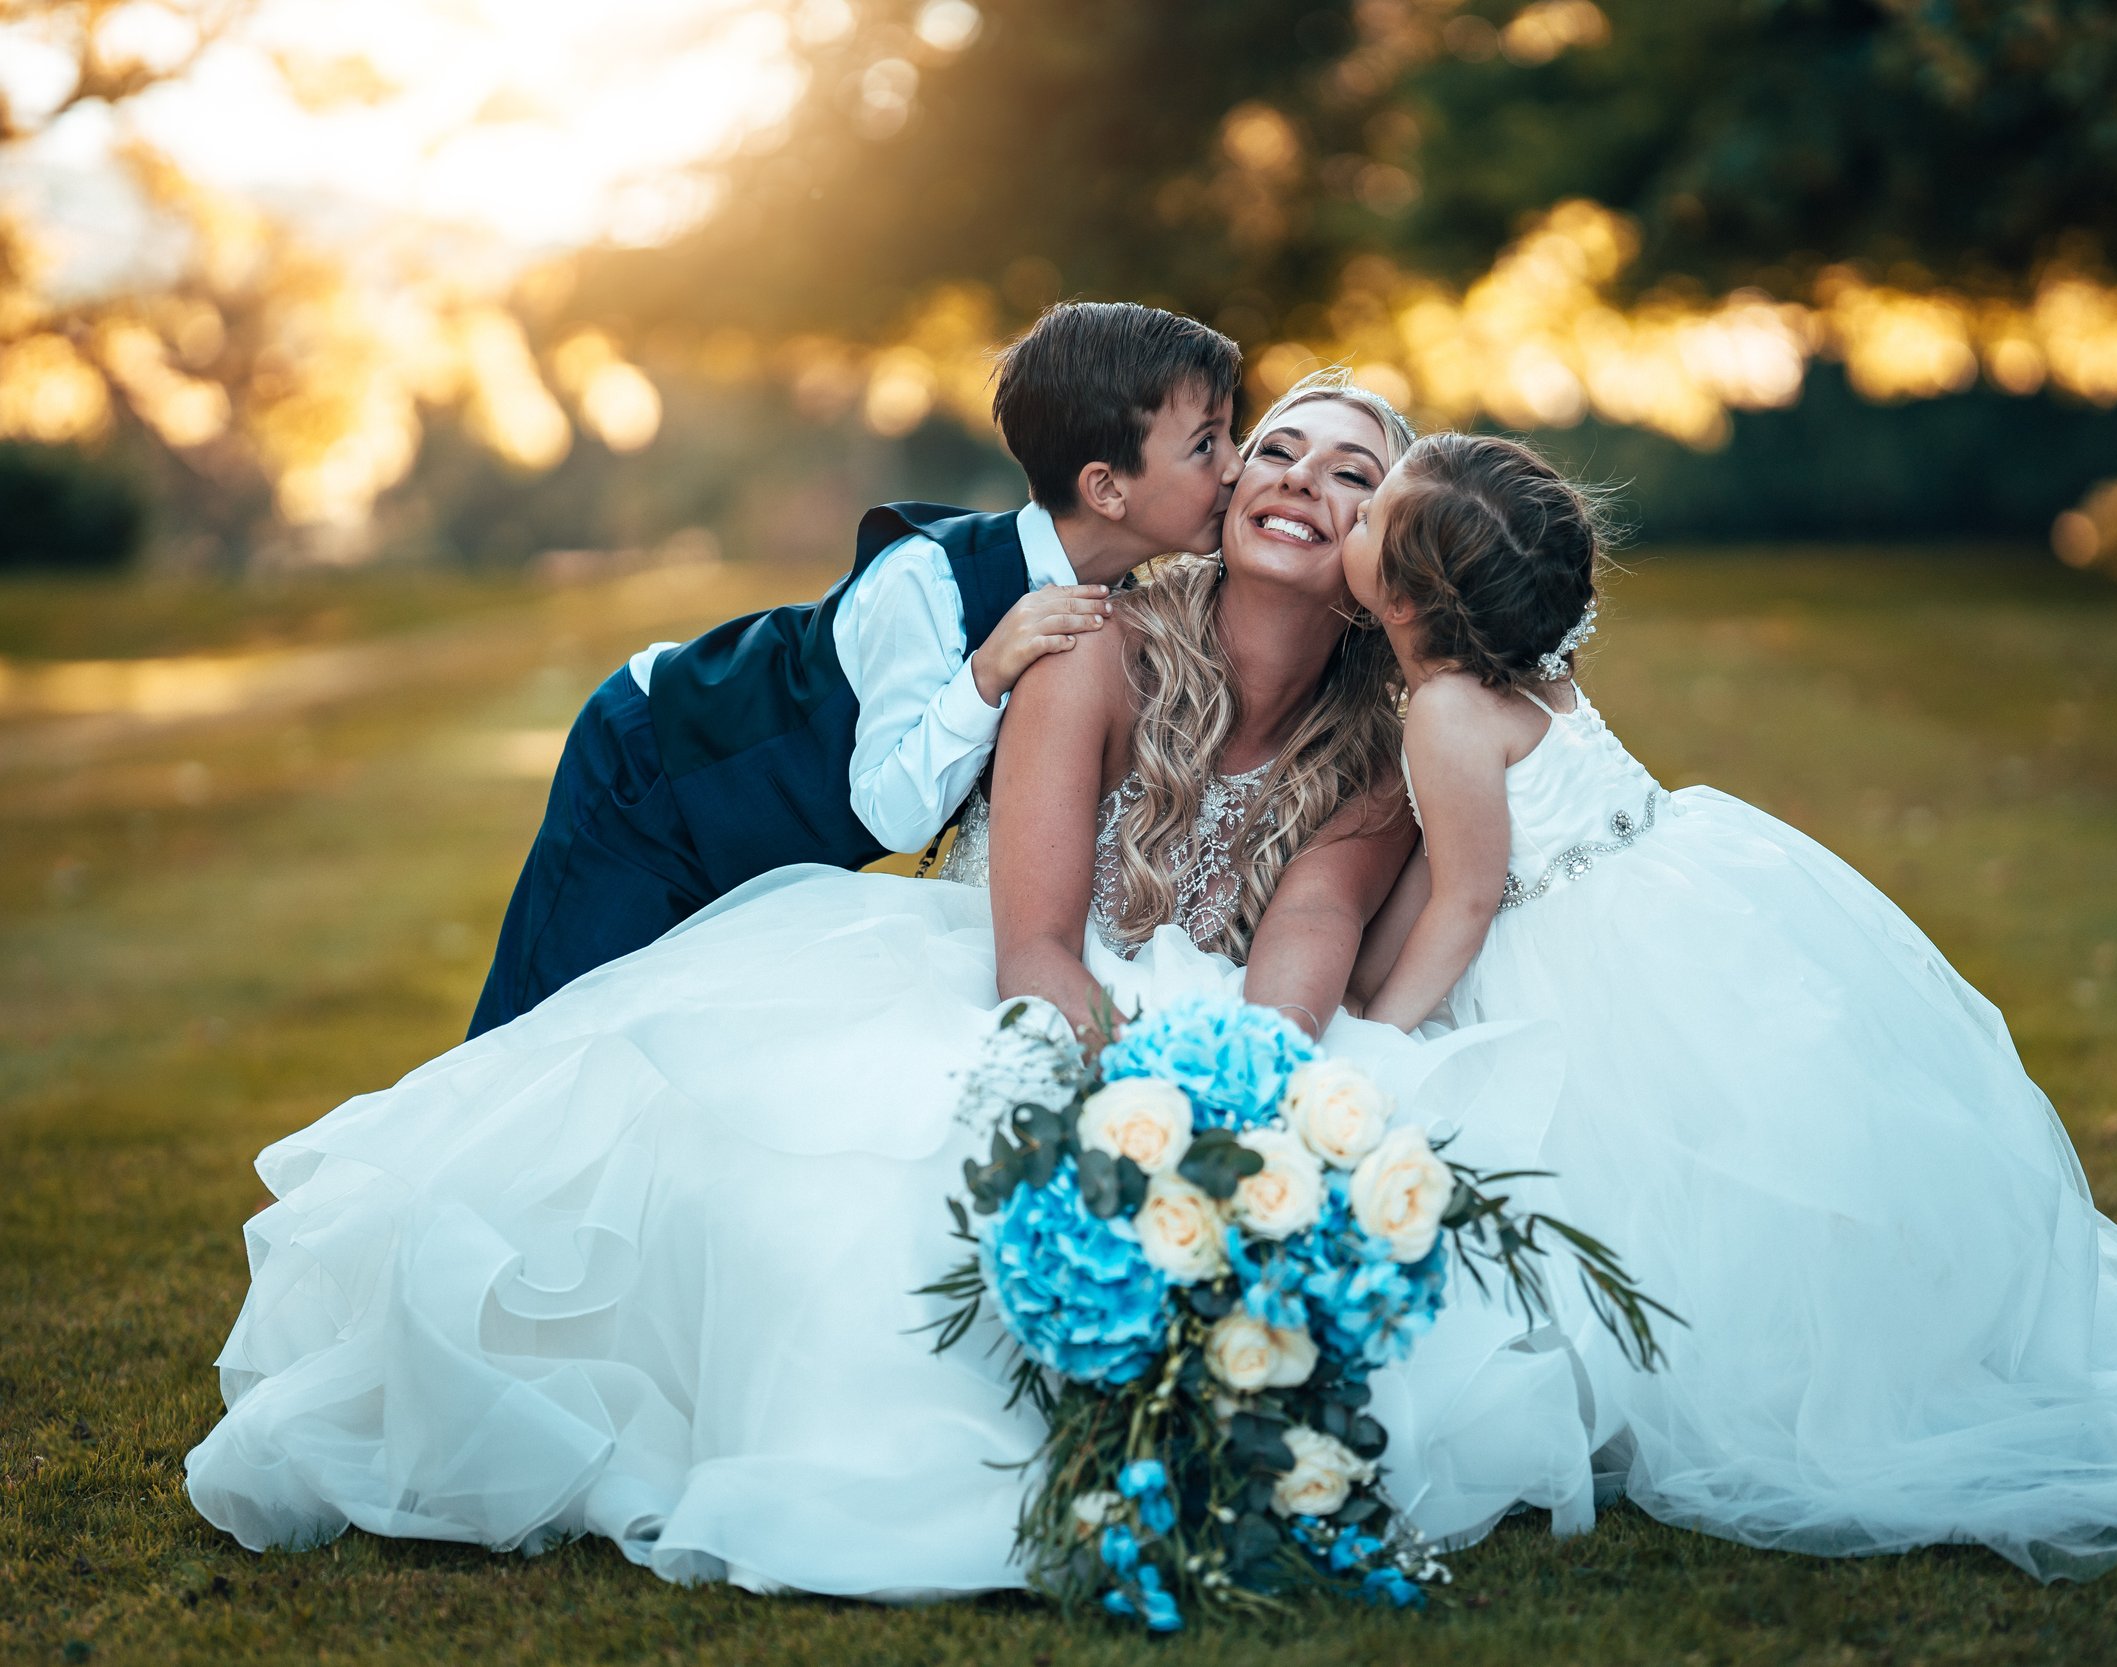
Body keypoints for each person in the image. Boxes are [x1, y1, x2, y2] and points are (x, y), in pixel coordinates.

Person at [185, 375, 1599, 1598]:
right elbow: (1035, 941)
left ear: (1387, 547)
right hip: (996, 979)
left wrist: (1250, 1116)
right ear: (1225, 486)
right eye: (1276, 447)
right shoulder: (1088, 639)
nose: (1301, 481)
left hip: (1196, 1011)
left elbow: (1313, 922)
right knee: (854, 1198)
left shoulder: (1386, 737)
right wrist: (1103, 1098)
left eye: (1355, 473)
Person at [1340, 430, 2117, 1577]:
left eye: (1371, 512)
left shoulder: (1445, 711)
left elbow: (1464, 899)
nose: (1353, 514)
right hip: (1671, 897)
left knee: (1630, 1171)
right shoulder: (1521, 671)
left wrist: (1371, 1036)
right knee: (1704, 1174)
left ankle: (1688, 1384)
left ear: (1407, 599)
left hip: (1582, 956)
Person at [465, 301, 1243, 1037]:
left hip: (766, 828)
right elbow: (892, 812)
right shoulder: (927, 580)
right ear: (1106, 487)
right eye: (1207, 445)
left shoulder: (1125, 606)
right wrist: (985, 675)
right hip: (658, 769)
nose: (1238, 467)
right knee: (545, 1034)